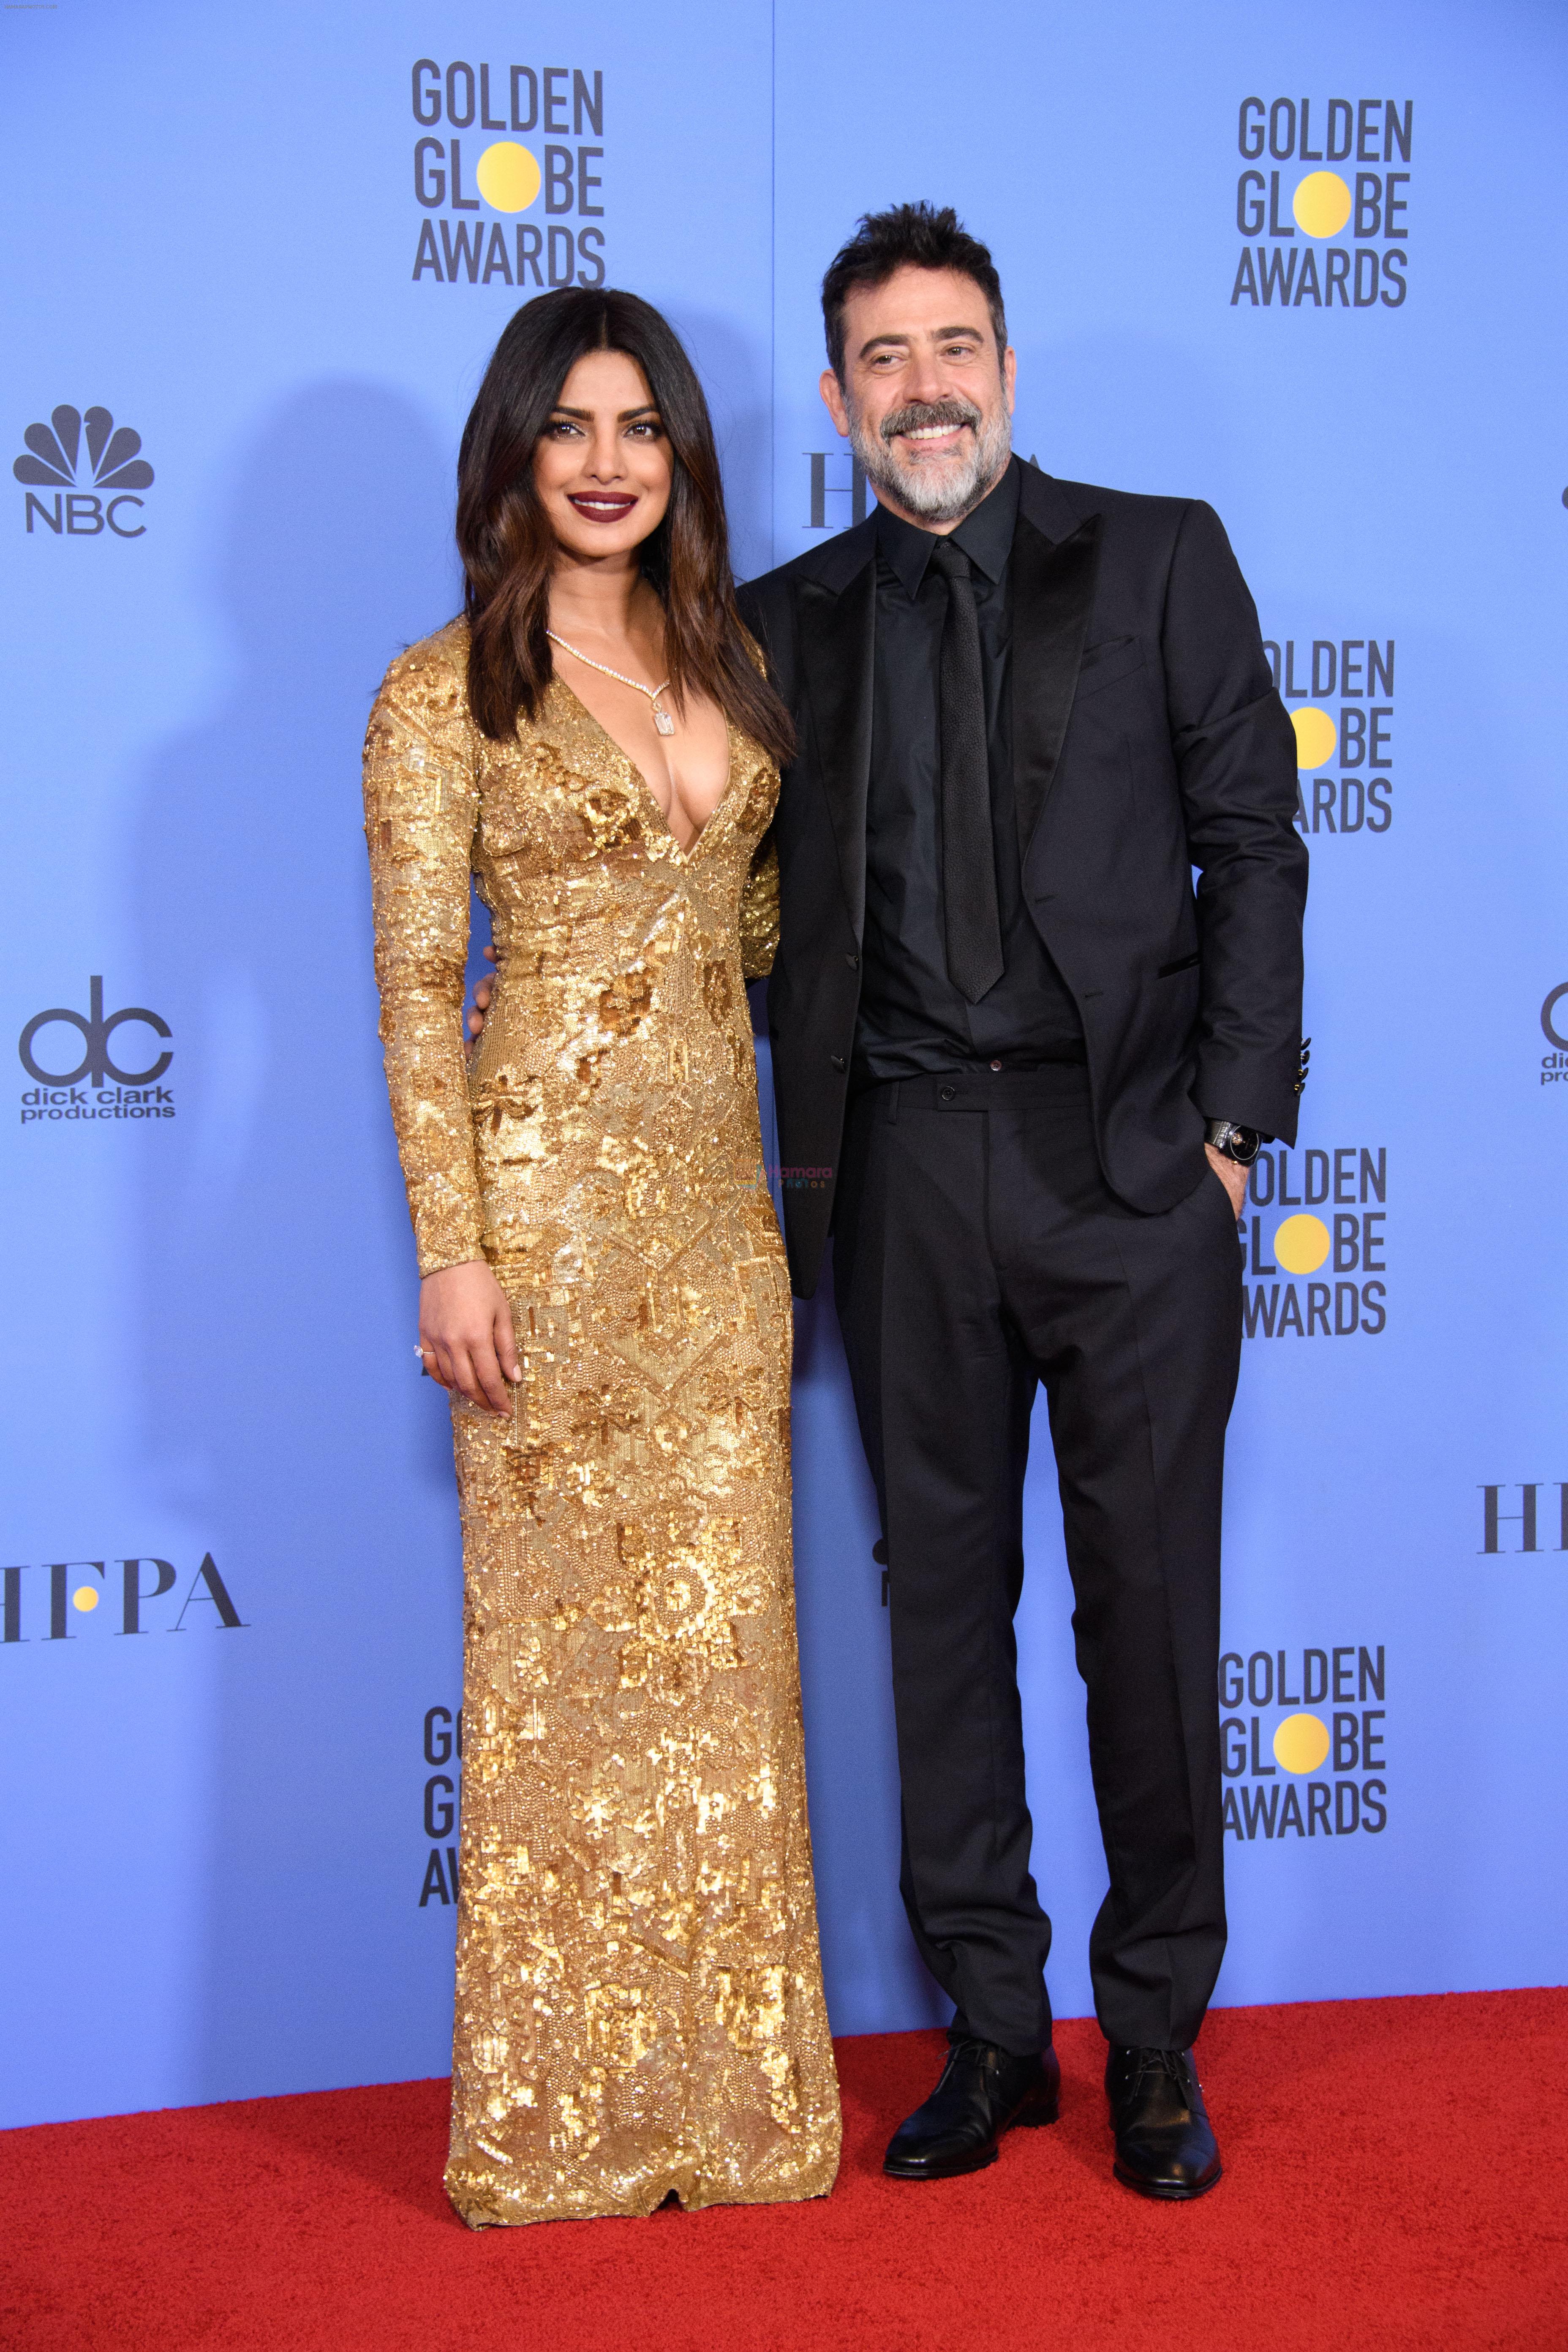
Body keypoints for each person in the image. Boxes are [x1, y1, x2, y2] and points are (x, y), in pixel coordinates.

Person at [736, 202, 1308, 2200]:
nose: (925, 387)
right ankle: (991, 2037)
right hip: (897, 1168)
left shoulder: (1155, 555)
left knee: (1148, 1618)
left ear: (1005, 362)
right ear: (837, 398)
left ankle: (1154, 2041)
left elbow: (1253, 844)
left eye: (953, 345)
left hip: (1127, 1166)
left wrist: (1230, 1131)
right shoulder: (779, 621)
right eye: (883, 359)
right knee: (939, 1630)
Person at [362, 287, 840, 2229]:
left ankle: (735, 2121)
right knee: (560, 1688)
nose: (607, 460)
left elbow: (764, 954)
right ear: (510, 453)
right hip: (542, 1243)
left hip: (720, 1236)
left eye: (641, 425)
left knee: (728, 1673)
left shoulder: (735, 669)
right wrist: (449, 1253)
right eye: (567, 426)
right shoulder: (434, 693)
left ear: (683, 459)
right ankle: (556, 2132)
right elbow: (411, 992)